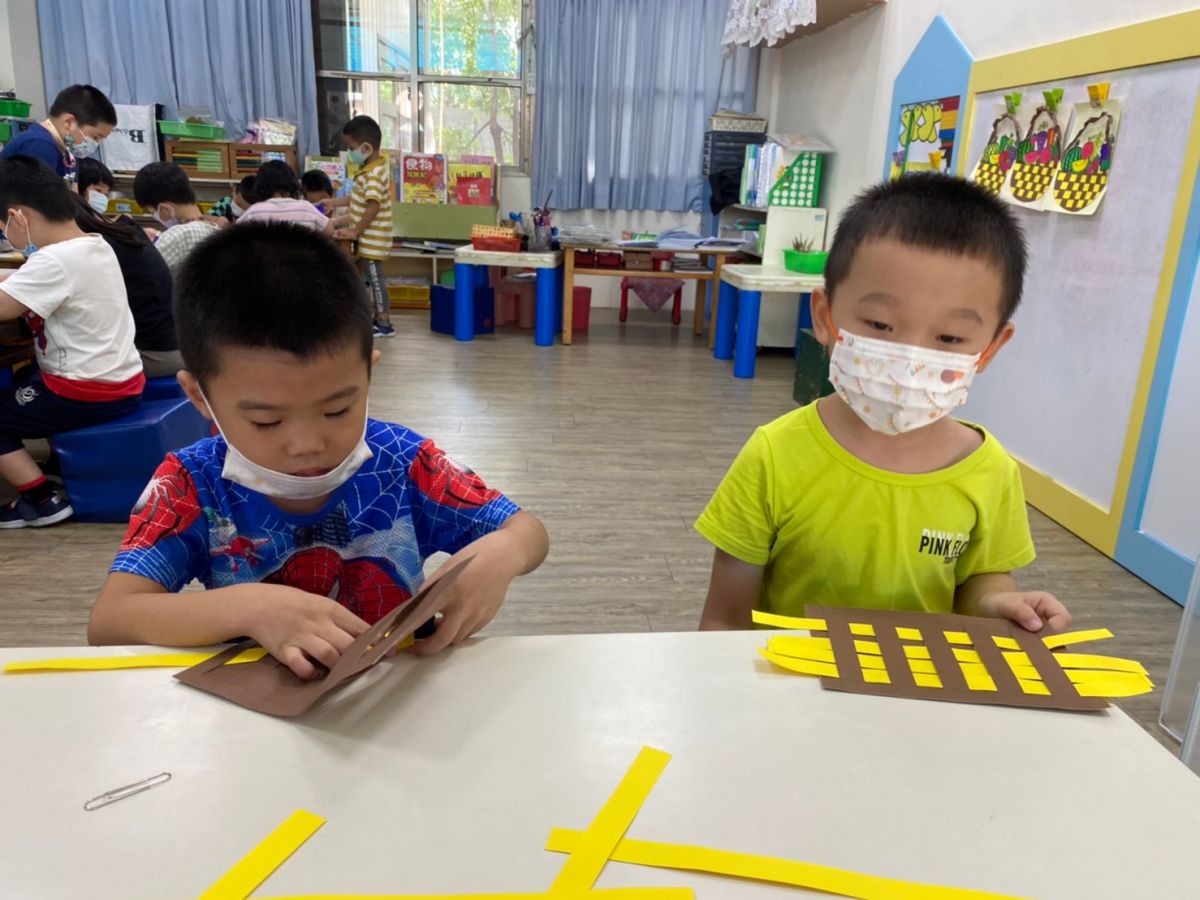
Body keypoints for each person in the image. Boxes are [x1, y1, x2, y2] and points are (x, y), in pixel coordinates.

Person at [88, 223, 549, 676]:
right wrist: (249, 607)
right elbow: (110, 622)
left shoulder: (403, 460)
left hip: (392, 694)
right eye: (267, 421)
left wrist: (504, 552)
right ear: (199, 396)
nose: (308, 446)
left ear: (368, 375)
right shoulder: (190, 484)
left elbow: (526, 531)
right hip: (257, 708)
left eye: (337, 410)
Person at [695, 173, 1072, 635]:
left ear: (990, 348)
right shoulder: (774, 456)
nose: (909, 359)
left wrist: (1001, 602)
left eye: (949, 337)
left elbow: (981, 579)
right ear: (825, 316)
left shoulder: (990, 471)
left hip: (917, 676)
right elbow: (725, 618)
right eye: (879, 324)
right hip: (790, 678)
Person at [0, 156, 144, 527]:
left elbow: (4, 306)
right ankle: (55, 463)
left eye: (3, 228)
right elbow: (23, 282)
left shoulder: (53, 261)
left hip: (82, 392)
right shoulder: (93, 245)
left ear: (18, 218)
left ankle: (41, 501)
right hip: (120, 381)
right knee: (23, 378)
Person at [73, 197, 182, 378]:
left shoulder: (99, 249)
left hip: (156, 355)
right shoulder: (127, 230)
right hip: (179, 345)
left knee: (67, 364)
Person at [332, 115, 394, 338]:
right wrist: (333, 203)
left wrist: (355, 230)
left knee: (376, 280)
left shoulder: (375, 174)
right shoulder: (368, 170)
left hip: (373, 239)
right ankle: (377, 319)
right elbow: (357, 199)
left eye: (351, 148)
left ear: (366, 148)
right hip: (367, 238)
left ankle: (384, 323)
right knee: (370, 278)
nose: (350, 152)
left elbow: (373, 206)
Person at [0, 84, 117, 186]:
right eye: (95, 137)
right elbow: (38, 200)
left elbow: (72, 193)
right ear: (69, 123)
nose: (95, 144)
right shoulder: (40, 145)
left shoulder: (69, 151)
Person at [132, 162, 219, 276]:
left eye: (152, 212)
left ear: (164, 209)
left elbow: (143, 273)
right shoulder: (215, 229)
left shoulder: (177, 235)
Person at [236, 160, 333, 235]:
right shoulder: (306, 208)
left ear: (260, 186)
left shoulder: (254, 212)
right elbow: (329, 231)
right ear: (293, 182)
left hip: (264, 255)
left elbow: (233, 234)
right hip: (302, 255)